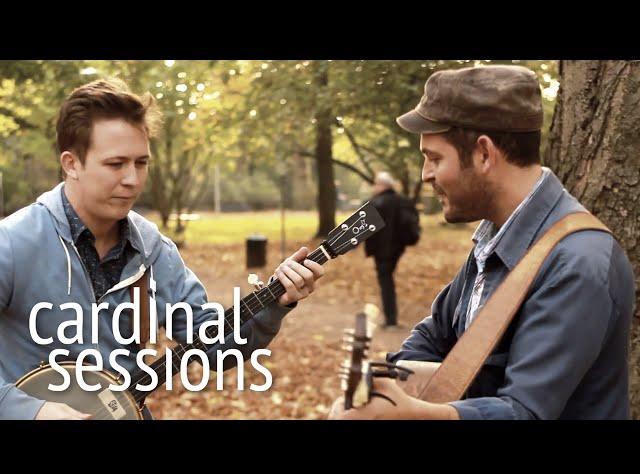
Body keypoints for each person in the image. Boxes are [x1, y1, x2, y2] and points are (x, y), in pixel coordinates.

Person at [0, 79, 325, 419]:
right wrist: (30, 410)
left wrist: (276, 301)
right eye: (116, 164)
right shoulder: (13, 243)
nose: (133, 179)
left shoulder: (154, 251)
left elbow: (215, 347)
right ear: (71, 164)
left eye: (141, 163)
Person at [329, 65, 635, 420]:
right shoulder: (496, 236)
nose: (425, 174)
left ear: (484, 155)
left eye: (434, 158)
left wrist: (410, 414)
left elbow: (525, 412)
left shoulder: (579, 262)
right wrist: (383, 386)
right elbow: (436, 334)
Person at [364, 172, 415, 328]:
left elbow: (366, 229)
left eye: (377, 184)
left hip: (382, 252)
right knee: (387, 280)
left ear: (383, 185)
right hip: (397, 250)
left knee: (385, 282)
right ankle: (391, 317)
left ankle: (390, 319)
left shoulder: (376, 203)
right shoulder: (402, 201)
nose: (375, 187)